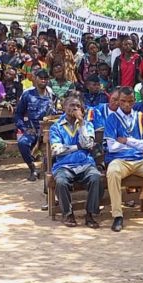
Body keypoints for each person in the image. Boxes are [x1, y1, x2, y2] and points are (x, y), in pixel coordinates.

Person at [104, 86, 143, 231]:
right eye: (123, 101)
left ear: (134, 101)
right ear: (118, 101)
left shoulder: (141, 117)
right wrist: (139, 145)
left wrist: (128, 141)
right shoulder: (112, 118)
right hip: (120, 161)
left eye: (130, 101)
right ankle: (117, 215)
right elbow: (112, 146)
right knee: (112, 172)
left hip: (140, 160)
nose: (127, 104)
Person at [49, 95, 102, 228]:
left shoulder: (87, 124)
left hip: (85, 163)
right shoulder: (56, 127)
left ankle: (90, 214)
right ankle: (68, 213)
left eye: (78, 106)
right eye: (72, 105)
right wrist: (77, 147)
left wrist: (81, 124)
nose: (75, 108)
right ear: (64, 107)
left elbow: (88, 144)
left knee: (96, 178)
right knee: (61, 181)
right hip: (64, 165)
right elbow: (56, 150)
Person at [15, 69, 56, 181]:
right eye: (41, 78)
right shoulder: (27, 95)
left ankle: (53, 171)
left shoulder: (52, 95)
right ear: (35, 79)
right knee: (22, 143)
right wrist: (24, 129)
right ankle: (33, 169)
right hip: (32, 129)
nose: (43, 80)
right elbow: (18, 114)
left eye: (45, 78)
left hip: (49, 130)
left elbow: (56, 114)